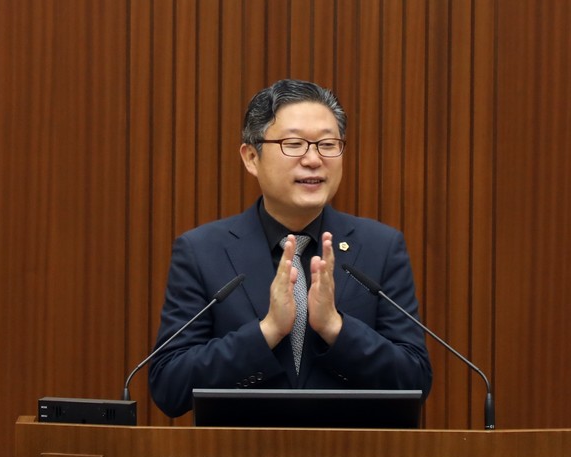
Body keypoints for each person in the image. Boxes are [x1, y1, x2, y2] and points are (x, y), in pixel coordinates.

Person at [149, 79, 432, 417]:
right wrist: (267, 331)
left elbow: (415, 380)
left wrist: (335, 328)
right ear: (251, 157)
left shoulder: (380, 248)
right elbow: (169, 386)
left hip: (350, 449)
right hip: (240, 450)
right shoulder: (202, 251)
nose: (313, 159)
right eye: (294, 144)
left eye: (328, 144)